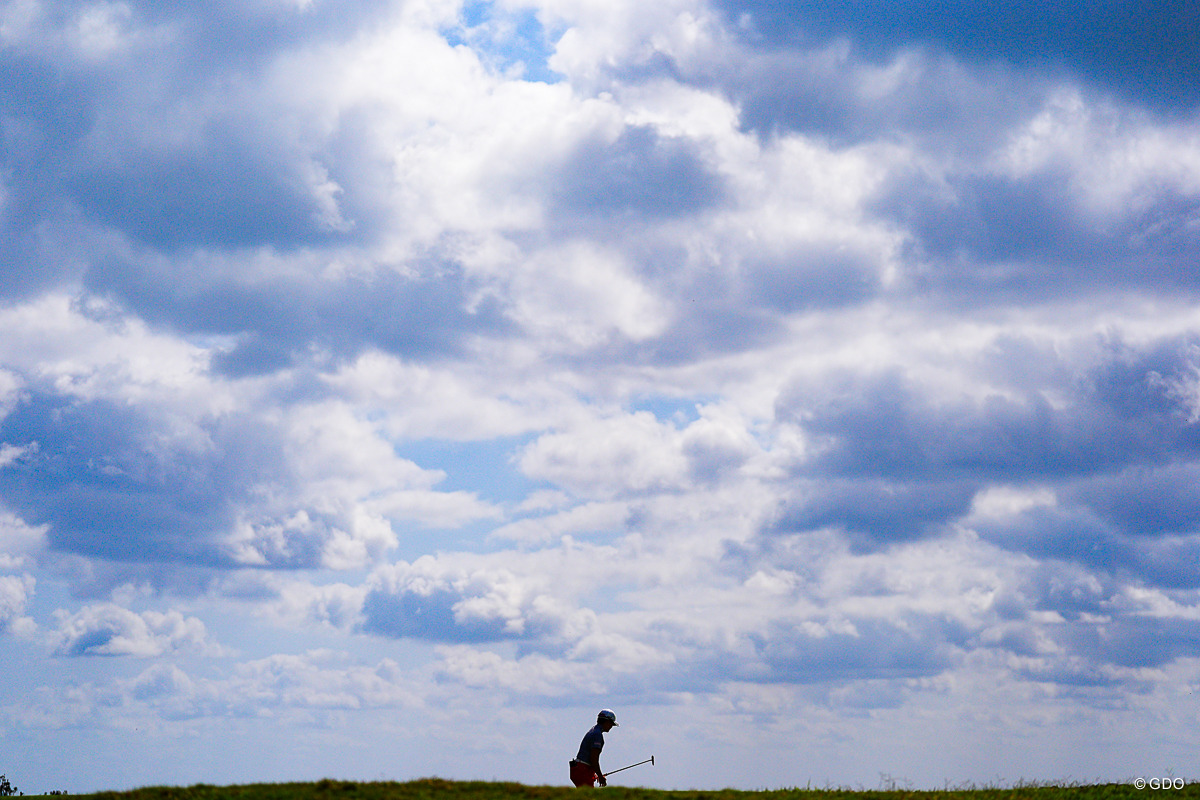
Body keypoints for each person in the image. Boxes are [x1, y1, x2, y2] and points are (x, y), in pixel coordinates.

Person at [570, 709, 618, 787]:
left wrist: (595, 773)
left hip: (580, 768)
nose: (611, 726)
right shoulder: (597, 735)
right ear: (607, 721)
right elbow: (593, 759)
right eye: (611, 724)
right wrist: (600, 776)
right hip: (583, 770)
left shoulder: (594, 730)